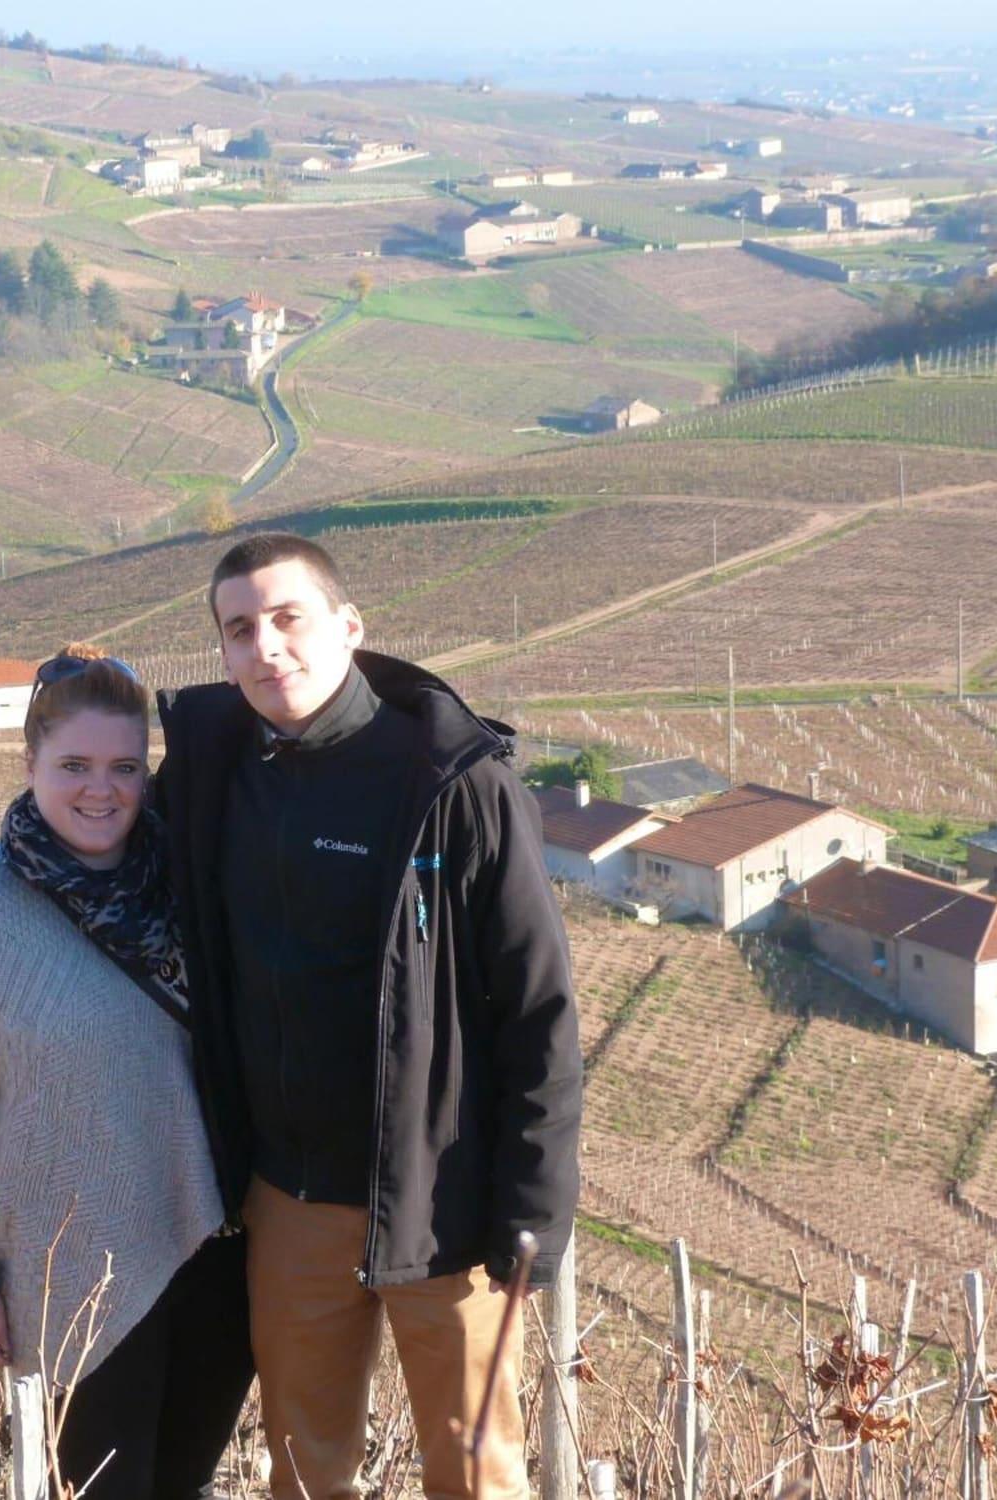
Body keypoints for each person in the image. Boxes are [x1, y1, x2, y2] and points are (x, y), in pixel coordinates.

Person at [154, 533, 581, 1500]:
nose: (267, 648)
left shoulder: (454, 782)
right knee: (304, 1472)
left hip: (449, 1211)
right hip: (291, 1204)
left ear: (349, 626)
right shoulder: (214, 774)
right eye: (239, 630)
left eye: (287, 617)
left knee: (478, 1477)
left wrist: (533, 1221)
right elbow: (88, 824)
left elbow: (539, 1011)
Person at [0, 644, 253, 1498]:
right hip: (70, 1268)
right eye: (75, 765)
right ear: (29, 764)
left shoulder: (190, 881)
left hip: (218, 1251)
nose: (102, 789)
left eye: (126, 766)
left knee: (183, 1485)